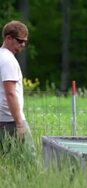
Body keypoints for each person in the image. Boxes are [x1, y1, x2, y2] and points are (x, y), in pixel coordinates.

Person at [0, 20, 35, 156]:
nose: (23, 45)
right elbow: (10, 93)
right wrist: (20, 123)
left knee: (7, 163)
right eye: (20, 41)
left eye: (25, 42)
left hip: (2, 119)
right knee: (29, 162)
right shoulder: (8, 60)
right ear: (8, 38)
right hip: (11, 121)